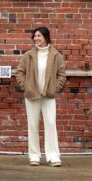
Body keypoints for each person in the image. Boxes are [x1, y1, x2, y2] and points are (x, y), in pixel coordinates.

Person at [15, 26, 67, 166]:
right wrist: (26, 87)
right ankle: (34, 156)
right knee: (32, 124)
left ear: (45, 37)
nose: (36, 39)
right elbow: (20, 72)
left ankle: (53, 156)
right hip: (32, 94)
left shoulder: (56, 55)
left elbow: (61, 74)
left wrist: (55, 88)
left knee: (50, 124)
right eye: (34, 36)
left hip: (48, 95)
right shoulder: (28, 55)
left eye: (38, 36)